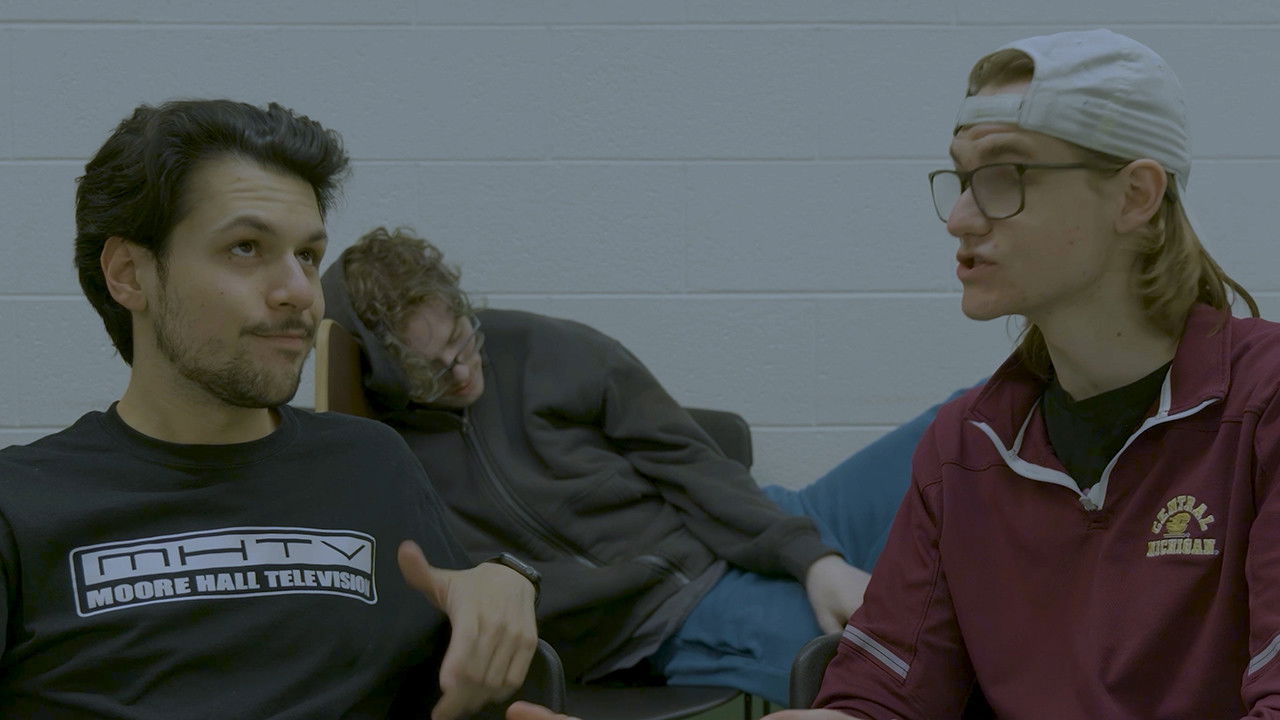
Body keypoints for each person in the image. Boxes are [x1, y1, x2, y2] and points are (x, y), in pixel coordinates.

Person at [768, 29, 1278, 720]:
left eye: (1005, 176)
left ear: (1134, 196)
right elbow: (882, 699)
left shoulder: (1264, 405)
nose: (960, 219)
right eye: (961, 179)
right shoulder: (965, 445)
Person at [0, 99, 539, 719]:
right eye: (245, 248)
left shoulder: (372, 465)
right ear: (130, 274)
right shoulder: (21, 507)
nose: (300, 292)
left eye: (307, 255)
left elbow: (461, 672)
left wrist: (505, 581)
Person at [322, 227, 950, 705]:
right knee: (898, 676)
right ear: (386, 376)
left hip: (750, 521)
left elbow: (688, 460)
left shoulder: (542, 346)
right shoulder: (385, 459)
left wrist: (814, 560)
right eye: (432, 370)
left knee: (960, 428)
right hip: (677, 607)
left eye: (463, 340)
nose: (463, 372)